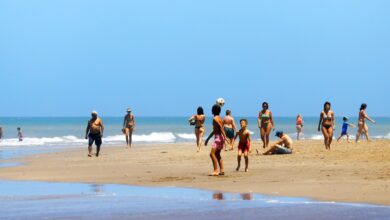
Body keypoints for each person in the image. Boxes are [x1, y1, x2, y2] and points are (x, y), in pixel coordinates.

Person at [205, 104, 226, 176]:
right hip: (221, 138)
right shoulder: (220, 118)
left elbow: (220, 128)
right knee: (217, 154)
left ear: (212, 111)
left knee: (212, 154)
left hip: (218, 138)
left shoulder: (215, 119)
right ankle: (222, 170)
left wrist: (225, 137)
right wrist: (207, 139)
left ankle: (215, 170)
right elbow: (215, 130)